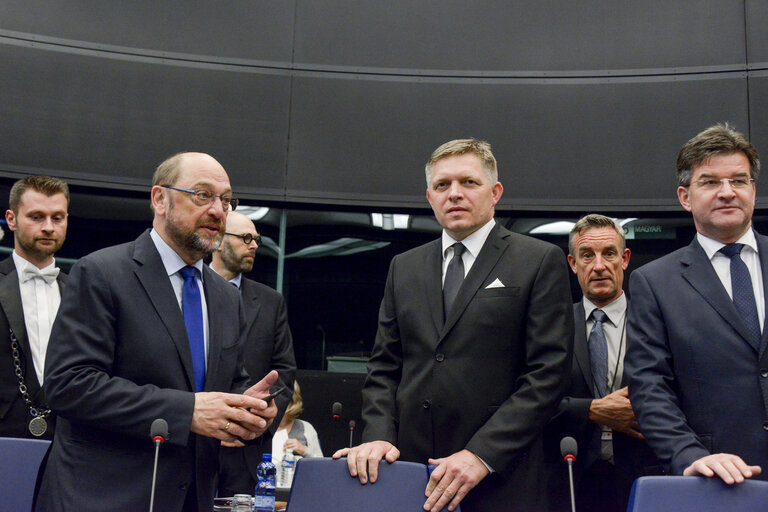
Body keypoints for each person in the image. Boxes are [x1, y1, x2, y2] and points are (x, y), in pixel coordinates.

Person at [333, 138, 574, 512]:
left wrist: (481, 454)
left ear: (495, 192)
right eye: (443, 185)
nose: (455, 194)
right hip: (411, 477)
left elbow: (548, 376)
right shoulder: (404, 267)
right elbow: (384, 368)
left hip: (501, 480)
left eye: (469, 182)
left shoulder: (539, 260)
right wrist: (379, 435)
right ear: (429, 197)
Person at [37, 152, 280, 512]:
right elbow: (68, 385)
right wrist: (188, 412)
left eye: (226, 200)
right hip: (103, 497)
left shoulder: (226, 298)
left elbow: (223, 384)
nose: (218, 210)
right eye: (203, 195)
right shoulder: (102, 273)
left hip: (191, 498)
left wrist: (248, 408)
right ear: (159, 199)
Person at [625, 123, 768, 485]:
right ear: (685, 197)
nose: (727, 192)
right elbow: (649, 385)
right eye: (710, 182)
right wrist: (688, 455)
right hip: (718, 480)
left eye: (738, 180)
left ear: (753, 189)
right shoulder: (654, 282)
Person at [545, 214, 657, 512]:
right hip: (565, 477)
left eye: (609, 253)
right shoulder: (549, 326)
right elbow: (529, 401)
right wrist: (592, 411)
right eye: (586, 255)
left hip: (642, 476)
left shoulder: (656, 322)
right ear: (572, 263)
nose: (598, 266)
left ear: (625, 258)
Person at [212, 211, 297, 497]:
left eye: (257, 240)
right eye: (245, 238)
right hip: (191, 442)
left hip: (246, 450)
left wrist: (257, 423)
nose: (254, 246)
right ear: (218, 241)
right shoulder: (189, 289)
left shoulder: (271, 301)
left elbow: (284, 371)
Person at [0, 176, 68, 440]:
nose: (49, 227)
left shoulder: (83, 292)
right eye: (37, 217)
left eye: (57, 218)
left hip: (67, 441)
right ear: (11, 219)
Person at [272, 381, 323, 487]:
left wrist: (304, 451)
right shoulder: (260, 426)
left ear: (292, 401)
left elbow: (322, 467)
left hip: (299, 488)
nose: (277, 403)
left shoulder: (306, 428)